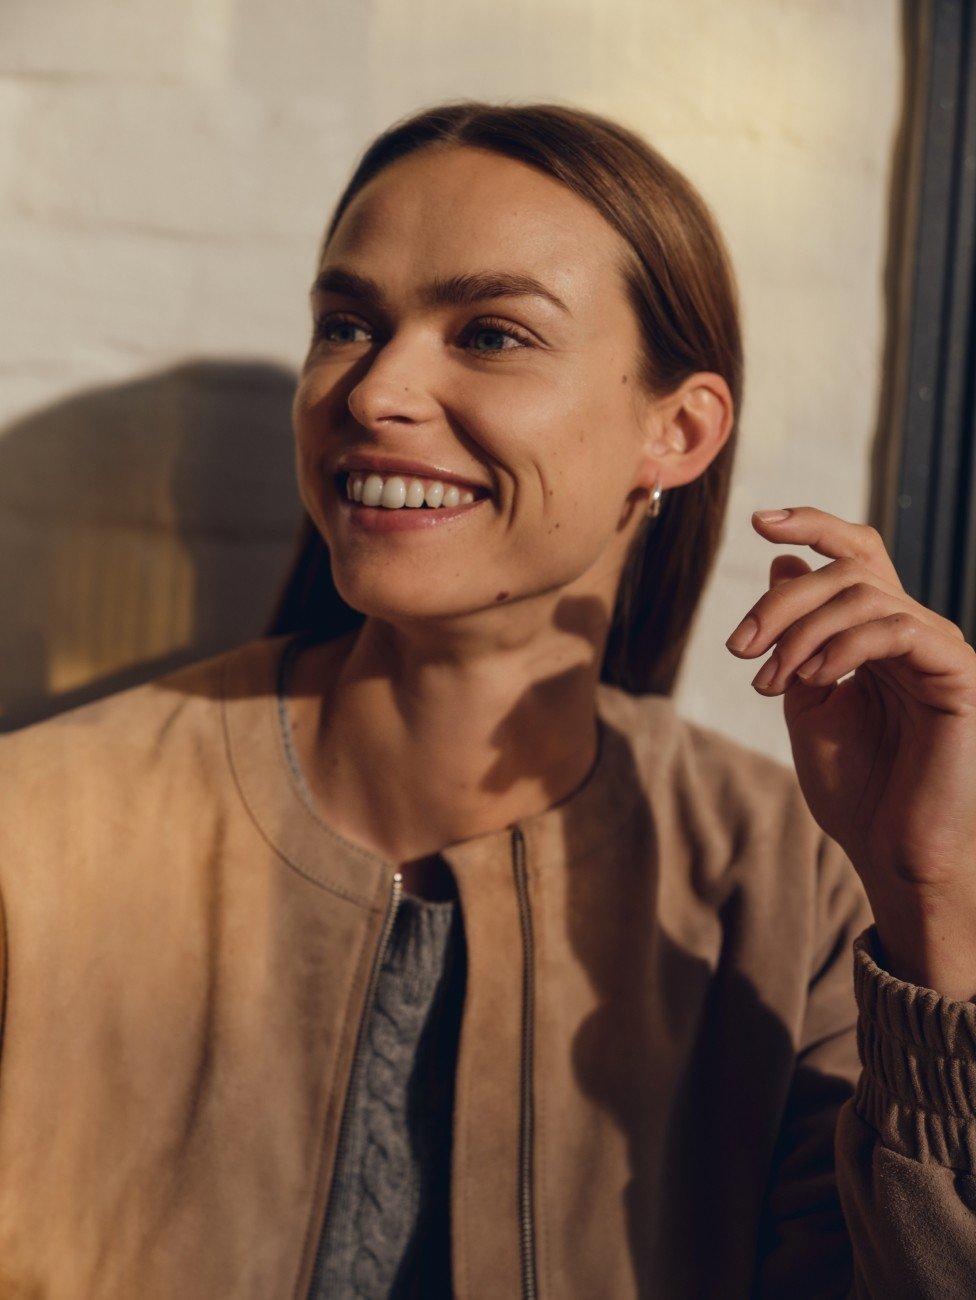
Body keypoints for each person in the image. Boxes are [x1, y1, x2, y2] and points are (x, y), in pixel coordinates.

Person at [2, 99, 976, 1300]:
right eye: (348, 324)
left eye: (493, 333)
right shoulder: (36, 831)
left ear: (676, 430)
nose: (375, 391)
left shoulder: (800, 895)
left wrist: (928, 906)